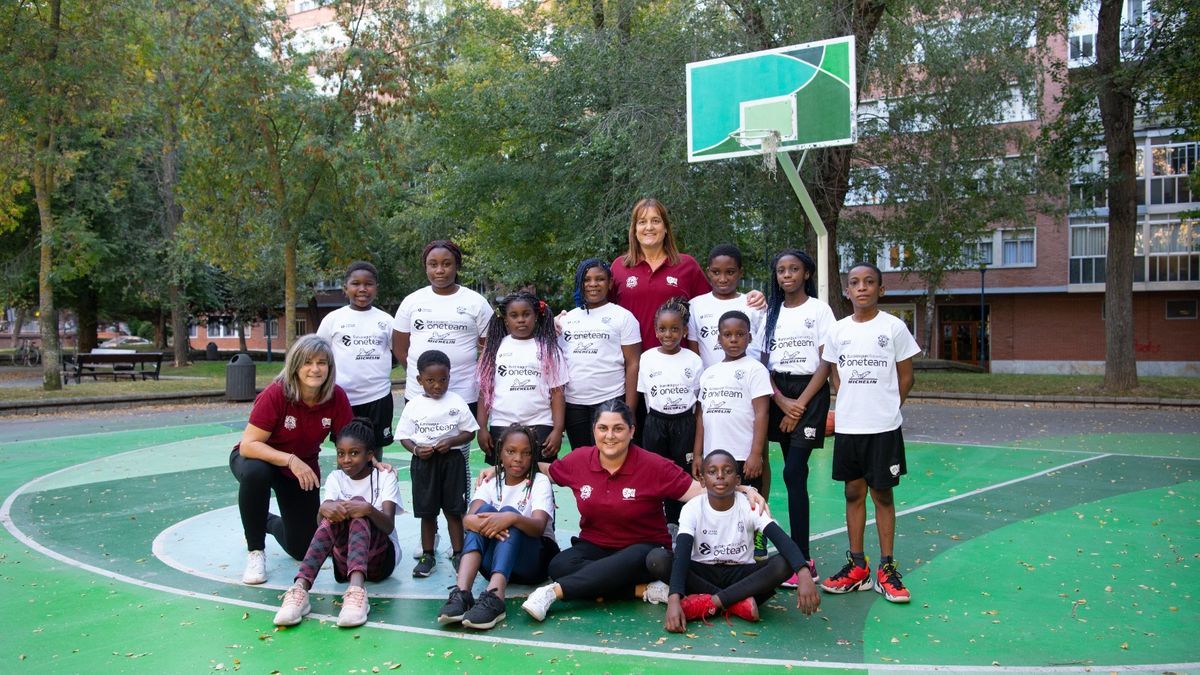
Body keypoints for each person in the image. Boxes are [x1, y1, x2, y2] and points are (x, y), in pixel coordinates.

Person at [516, 400, 766, 622]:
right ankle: (643, 590)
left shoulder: (652, 465)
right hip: (596, 546)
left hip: (644, 550)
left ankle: (554, 592)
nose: (610, 436)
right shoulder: (579, 460)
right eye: (603, 428)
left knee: (638, 557)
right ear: (594, 431)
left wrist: (741, 487)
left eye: (618, 428)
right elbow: (547, 470)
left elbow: (698, 490)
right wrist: (500, 471)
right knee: (559, 565)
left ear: (632, 431)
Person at [819, 262, 920, 604]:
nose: (861, 287)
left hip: (883, 427)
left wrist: (889, 407)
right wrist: (848, 404)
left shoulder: (893, 328)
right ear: (847, 290)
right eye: (854, 283)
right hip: (850, 427)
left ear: (881, 289)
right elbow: (834, 375)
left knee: (883, 495)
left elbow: (906, 377)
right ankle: (857, 566)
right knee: (853, 493)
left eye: (869, 282)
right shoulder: (838, 331)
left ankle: (887, 568)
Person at [647, 450, 819, 631]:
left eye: (727, 471)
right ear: (703, 481)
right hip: (703, 573)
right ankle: (737, 603)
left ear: (738, 481)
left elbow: (782, 540)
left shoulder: (749, 506)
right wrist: (674, 599)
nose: (720, 476)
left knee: (784, 563)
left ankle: (710, 602)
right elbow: (681, 554)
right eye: (712, 472)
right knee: (656, 559)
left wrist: (804, 572)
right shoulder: (692, 508)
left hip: (742, 575)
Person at [229, 335, 353, 585]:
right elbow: (248, 445)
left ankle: (264, 520)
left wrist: (373, 465)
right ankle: (255, 551)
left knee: (302, 549)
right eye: (307, 362)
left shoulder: (336, 397)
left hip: (301, 469)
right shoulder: (276, 394)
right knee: (256, 473)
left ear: (330, 367)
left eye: (321, 362)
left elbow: (350, 442)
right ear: (295, 365)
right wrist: (290, 460)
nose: (315, 369)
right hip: (259, 458)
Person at [272, 418, 403, 628]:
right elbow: (322, 525)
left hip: (380, 561)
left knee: (359, 507)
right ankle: (300, 589)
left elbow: (388, 526)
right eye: (341, 453)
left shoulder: (384, 477)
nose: (346, 459)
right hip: (343, 565)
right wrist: (323, 510)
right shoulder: (335, 478)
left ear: (370, 455)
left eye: (354, 453)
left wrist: (368, 509)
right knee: (334, 511)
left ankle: (356, 594)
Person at [761, 249, 835, 588]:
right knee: (784, 470)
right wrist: (780, 399)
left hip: (809, 393)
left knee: (794, 471)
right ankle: (781, 548)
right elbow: (763, 361)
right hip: (779, 390)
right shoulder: (770, 313)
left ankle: (803, 558)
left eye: (794, 269)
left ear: (807, 273)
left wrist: (799, 405)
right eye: (781, 270)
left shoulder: (819, 310)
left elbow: (826, 362)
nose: (786, 275)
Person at [438, 424, 558, 630]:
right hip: (493, 563)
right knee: (484, 510)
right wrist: (476, 521)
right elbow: (468, 519)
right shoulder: (491, 481)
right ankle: (462, 593)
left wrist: (510, 518)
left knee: (508, 512)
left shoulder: (539, 482)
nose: (518, 458)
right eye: (511, 452)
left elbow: (538, 527)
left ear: (533, 456)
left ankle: (496, 597)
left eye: (526, 453)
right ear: (500, 452)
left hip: (533, 563)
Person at [396, 350, 479, 578]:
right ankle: (428, 554)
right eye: (430, 381)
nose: (437, 386)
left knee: (454, 510)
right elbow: (403, 436)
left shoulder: (456, 401)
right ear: (419, 380)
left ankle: (459, 553)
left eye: (442, 380)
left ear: (449, 378)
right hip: (424, 463)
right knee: (427, 512)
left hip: (452, 462)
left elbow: (469, 432)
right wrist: (415, 449)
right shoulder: (413, 405)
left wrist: (452, 441)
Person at [392, 239, 492, 420]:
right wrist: (424, 375)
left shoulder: (476, 302)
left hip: (463, 390)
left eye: (447, 264)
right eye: (433, 264)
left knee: (459, 444)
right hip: (419, 392)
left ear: (457, 266)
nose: (439, 270)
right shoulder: (412, 301)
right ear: (426, 267)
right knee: (421, 444)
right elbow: (400, 349)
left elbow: (490, 350)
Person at [609, 198, 711, 353]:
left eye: (655, 221)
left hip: (677, 364)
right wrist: (564, 318)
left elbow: (713, 305)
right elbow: (600, 310)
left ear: (665, 228)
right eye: (642, 222)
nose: (649, 227)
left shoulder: (687, 265)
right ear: (634, 230)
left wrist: (750, 298)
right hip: (630, 364)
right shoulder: (619, 267)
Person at [559, 259, 641, 450]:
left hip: (611, 400)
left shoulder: (623, 317)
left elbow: (633, 364)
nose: (593, 284)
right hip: (574, 405)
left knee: (612, 456)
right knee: (582, 459)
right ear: (580, 283)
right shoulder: (566, 319)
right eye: (587, 280)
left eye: (600, 279)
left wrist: (629, 410)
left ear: (610, 283)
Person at [476, 291, 568, 462]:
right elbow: (485, 392)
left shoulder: (550, 350)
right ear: (505, 320)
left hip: (540, 424)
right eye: (514, 315)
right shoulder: (494, 349)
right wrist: (482, 427)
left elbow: (557, 393)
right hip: (502, 424)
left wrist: (557, 430)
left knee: (540, 479)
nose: (520, 320)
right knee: (503, 482)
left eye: (526, 314)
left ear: (536, 316)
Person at [316, 261, 396, 455]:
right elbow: (318, 355)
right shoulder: (333, 320)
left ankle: (375, 485)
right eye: (356, 284)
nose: (362, 289)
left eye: (368, 284)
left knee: (374, 453)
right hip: (343, 398)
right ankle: (345, 486)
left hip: (378, 397)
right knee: (346, 452)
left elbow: (399, 353)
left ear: (376, 288)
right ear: (346, 288)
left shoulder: (386, 321)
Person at [637, 297, 702, 528]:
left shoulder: (693, 360)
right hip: (656, 423)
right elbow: (645, 397)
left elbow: (697, 402)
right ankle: (656, 524)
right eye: (662, 329)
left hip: (684, 424)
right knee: (654, 473)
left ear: (684, 331)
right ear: (655, 330)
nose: (668, 334)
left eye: (675, 329)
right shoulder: (647, 358)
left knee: (681, 475)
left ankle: (680, 524)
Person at [693, 311, 773, 492]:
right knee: (718, 506)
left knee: (748, 506)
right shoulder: (709, 374)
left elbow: (762, 413)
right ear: (719, 339)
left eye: (740, 334)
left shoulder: (755, 369)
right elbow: (701, 416)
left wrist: (756, 453)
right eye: (727, 335)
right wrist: (698, 454)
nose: (734, 339)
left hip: (743, 456)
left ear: (750, 337)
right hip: (713, 456)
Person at [687, 244, 765, 370]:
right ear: (708, 272)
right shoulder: (695, 306)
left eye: (730, 272)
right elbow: (694, 352)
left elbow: (765, 347)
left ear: (740, 273)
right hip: (713, 384)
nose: (723, 279)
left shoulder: (753, 304)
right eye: (716, 272)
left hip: (749, 381)